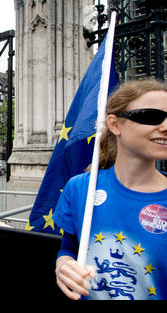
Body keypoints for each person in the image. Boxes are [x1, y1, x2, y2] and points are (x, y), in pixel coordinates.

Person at [53, 79, 167, 300]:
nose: (165, 126)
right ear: (114, 124)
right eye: (151, 116)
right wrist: (64, 266)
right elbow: (69, 247)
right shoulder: (80, 187)